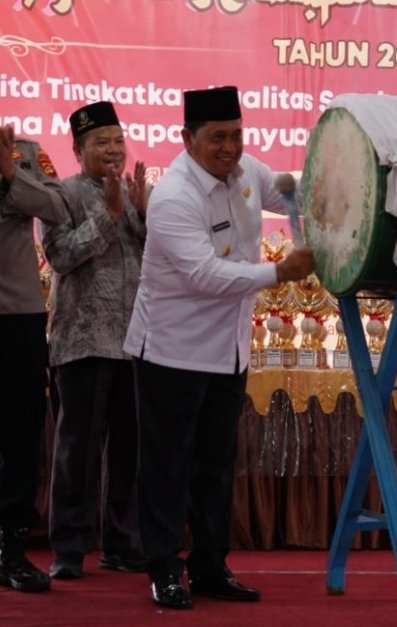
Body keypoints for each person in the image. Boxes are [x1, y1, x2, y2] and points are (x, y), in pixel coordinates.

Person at [122, 86, 316, 610]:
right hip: (171, 351)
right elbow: (205, 275)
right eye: (217, 138)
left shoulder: (248, 170)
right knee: (167, 465)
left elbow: (294, 193)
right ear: (188, 139)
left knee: (216, 464)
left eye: (236, 135)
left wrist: (332, 191)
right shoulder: (173, 195)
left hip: (229, 350)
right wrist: (280, 271)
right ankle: (163, 569)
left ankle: (209, 567)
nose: (230, 148)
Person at [41, 101, 149, 580]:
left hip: (136, 341)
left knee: (129, 450)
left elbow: (161, 258)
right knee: (77, 451)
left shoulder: (135, 192)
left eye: (118, 141)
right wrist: (108, 215)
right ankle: (68, 548)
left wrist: (143, 214)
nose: (113, 149)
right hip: (83, 340)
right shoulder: (60, 195)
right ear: (78, 150)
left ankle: (122, 544)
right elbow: (60, 256)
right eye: (101, 142)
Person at [0, 124, 68, 593]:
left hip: (17, 317)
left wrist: (10, 174)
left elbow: (59, 208)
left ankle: (12, 551)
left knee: (20, 437)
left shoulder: (26, 151)